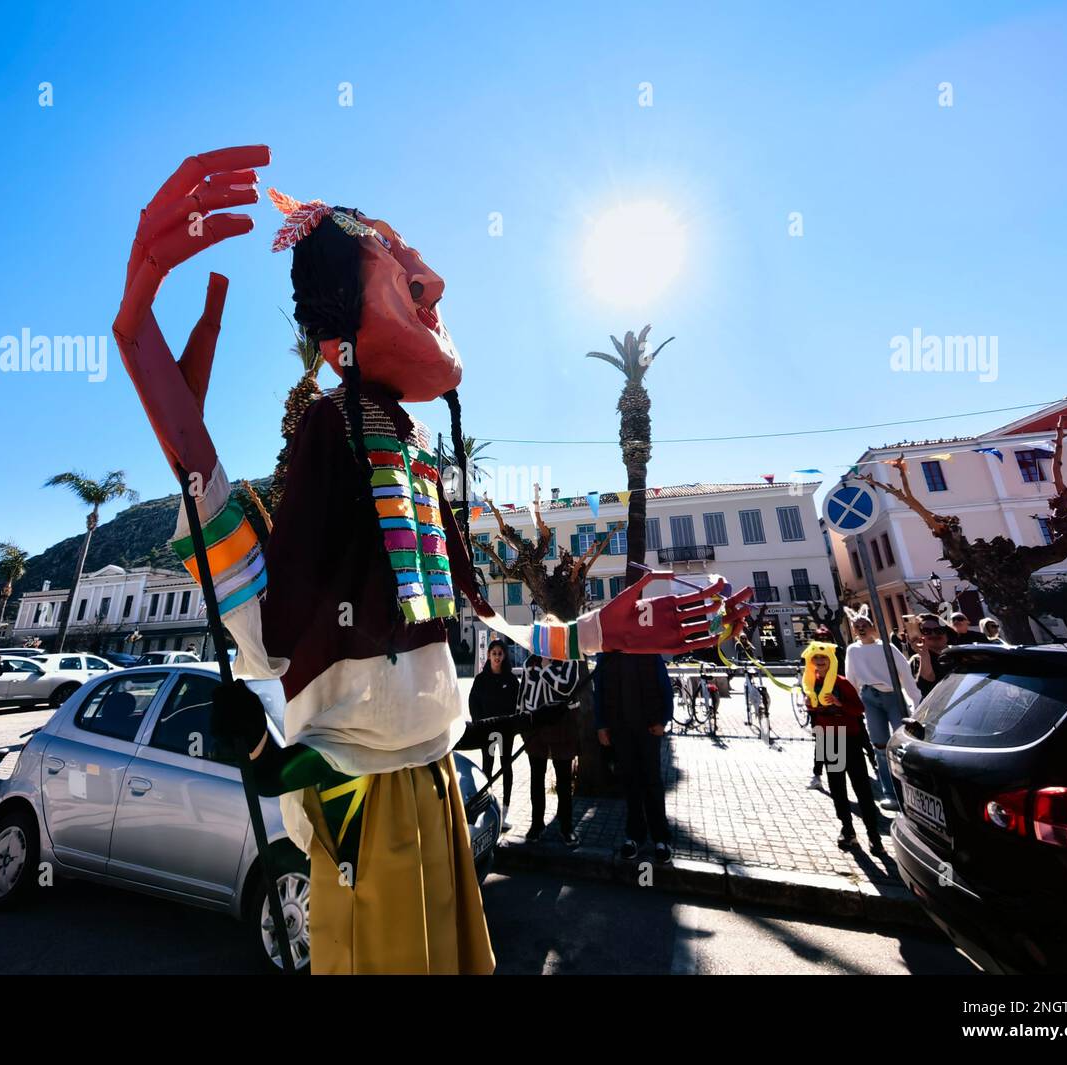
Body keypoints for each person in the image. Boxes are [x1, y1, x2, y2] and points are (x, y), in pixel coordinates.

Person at [117, 149, 755, 974]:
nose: (434, 283)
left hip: (434, 784)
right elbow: (269, 620)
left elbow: (479, 620)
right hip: (366, 796)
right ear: (340, 316)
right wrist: (143, 354)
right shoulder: (330, 429)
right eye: (399, 262)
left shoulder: (409, 448)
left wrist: (600, 630)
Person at [801, 641, 884, 853]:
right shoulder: (811, 684)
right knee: (837, 788)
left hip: (850, 739)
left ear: (831, 661)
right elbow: (816, 713)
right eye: (815, 660)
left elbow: (859, 709)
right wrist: (811, 706)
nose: (819, 663)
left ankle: (874, 836)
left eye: (823, 659)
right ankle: (847, 830)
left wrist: (840, 705)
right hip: (829, 740)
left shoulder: (842, 683)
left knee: (862, 788)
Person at [594, 652, 674, 864]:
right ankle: (634, 835)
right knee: (630, 782)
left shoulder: (647, 648)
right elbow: (599, 691)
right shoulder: (606, 654)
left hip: (648, 726)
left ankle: (661, 838)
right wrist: (601, 724)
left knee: (652, 781)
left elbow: (664, 684)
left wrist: (664, 719)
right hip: (620, 728)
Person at [842, 606, 919, 809]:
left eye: (864, 625)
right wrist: (852, 704)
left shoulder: (887, 647)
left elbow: (905, 674)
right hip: (869, 697)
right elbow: (851, 679)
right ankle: (890, 792)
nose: (860, 629)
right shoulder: (853, 650)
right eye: (856, 626)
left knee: (903, 742)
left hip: (892, 695)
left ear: (872, 627)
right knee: (880, 745)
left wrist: (915, 699)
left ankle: (910, 789)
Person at [518, 654, 583, 846]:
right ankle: (537, 824)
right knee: (536, 778)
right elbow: (523, 692)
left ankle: (566, 826)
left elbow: (566, 687)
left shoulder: (569, 660)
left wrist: (546, 667)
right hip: (535, 724)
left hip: (561, 723)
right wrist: (520, 720)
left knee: (563, 780)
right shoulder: (530, 661)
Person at [467, 639, 519, 828]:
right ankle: (486, 808)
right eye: (494, 653)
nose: (497, 657)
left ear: (504, 656)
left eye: (500, 653)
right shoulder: (481, 679)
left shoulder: (511, 680)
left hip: (506, 732)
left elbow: (517, 705)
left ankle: (505, 812)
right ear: (488, 655)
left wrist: (513, 725)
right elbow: (473, 702)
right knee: (486, 768)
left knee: (506, 767)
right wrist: (479, 724)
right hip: (487, 732)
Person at [909, 614, 951, 698]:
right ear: (920, 635)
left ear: (946, 634)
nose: (933, 634)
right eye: (926, 631)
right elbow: (927, 684)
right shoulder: (918, 659)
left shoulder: (959, 653)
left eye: (939, 630)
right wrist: (923, 653)